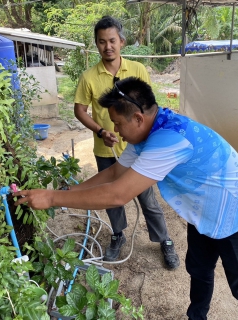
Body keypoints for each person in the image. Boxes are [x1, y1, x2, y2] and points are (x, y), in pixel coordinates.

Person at [15, 77, 238, 320]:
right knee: (199, 270)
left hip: (237, 211)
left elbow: (118, 194)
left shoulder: (169, 139)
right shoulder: (146, 131)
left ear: (138, 118)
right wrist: (71, 192)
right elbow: (114, 173)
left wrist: (51, 198)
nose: (114, 130)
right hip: (203, 212)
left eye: (117, 123)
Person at [73, 16, 179, 269]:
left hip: (138, 148)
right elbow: (80, 110)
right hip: (106, 148)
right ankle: (118, 234)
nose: (107, 46)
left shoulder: (138, 69)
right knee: (111, 198)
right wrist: (101, 131)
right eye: (101, 42)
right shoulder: (88, 77)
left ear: (121, 41)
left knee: (147, 198)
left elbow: (149, 107)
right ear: (96, 45)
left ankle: (164, 240)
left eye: (112, 40)